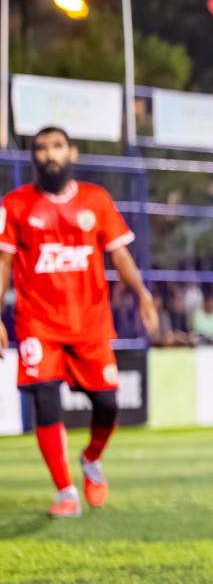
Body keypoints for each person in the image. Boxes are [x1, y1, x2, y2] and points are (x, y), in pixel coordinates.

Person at [0, 127, 159, 517]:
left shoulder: (96, 199)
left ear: (71, 153)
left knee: (107, 403)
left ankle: (91, 458)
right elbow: (3, 262)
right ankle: (65, 491)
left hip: (89, 324)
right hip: (38, 322)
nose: (48, 154)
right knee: (45, 400)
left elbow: (119, 255)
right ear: (33, 157)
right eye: (40, 148)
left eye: (56, 147)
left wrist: (143, 294)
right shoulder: (16, 204)